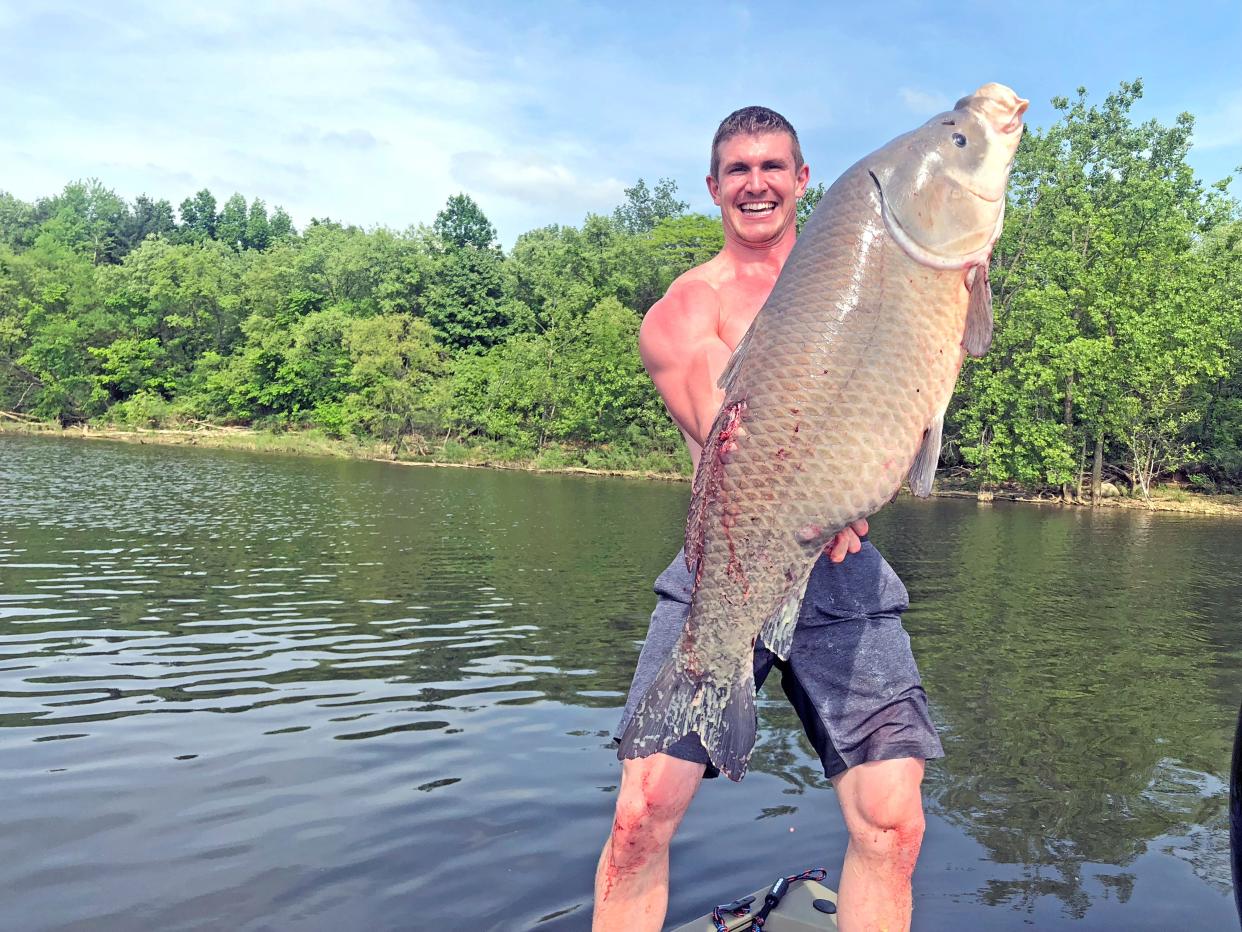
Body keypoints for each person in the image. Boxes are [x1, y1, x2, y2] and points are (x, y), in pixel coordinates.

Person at [593, 107, 944, 932]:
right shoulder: (684, 311)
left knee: (894, 821)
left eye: (774, 167)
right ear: (715, 188)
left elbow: (916, 371)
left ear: (802, 180)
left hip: (844, 566)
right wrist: (822, 481)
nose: (757, 183)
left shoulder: (869, 272)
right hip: (727, 561)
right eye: (739, 170)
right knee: (641, 814)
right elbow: (732, 446)